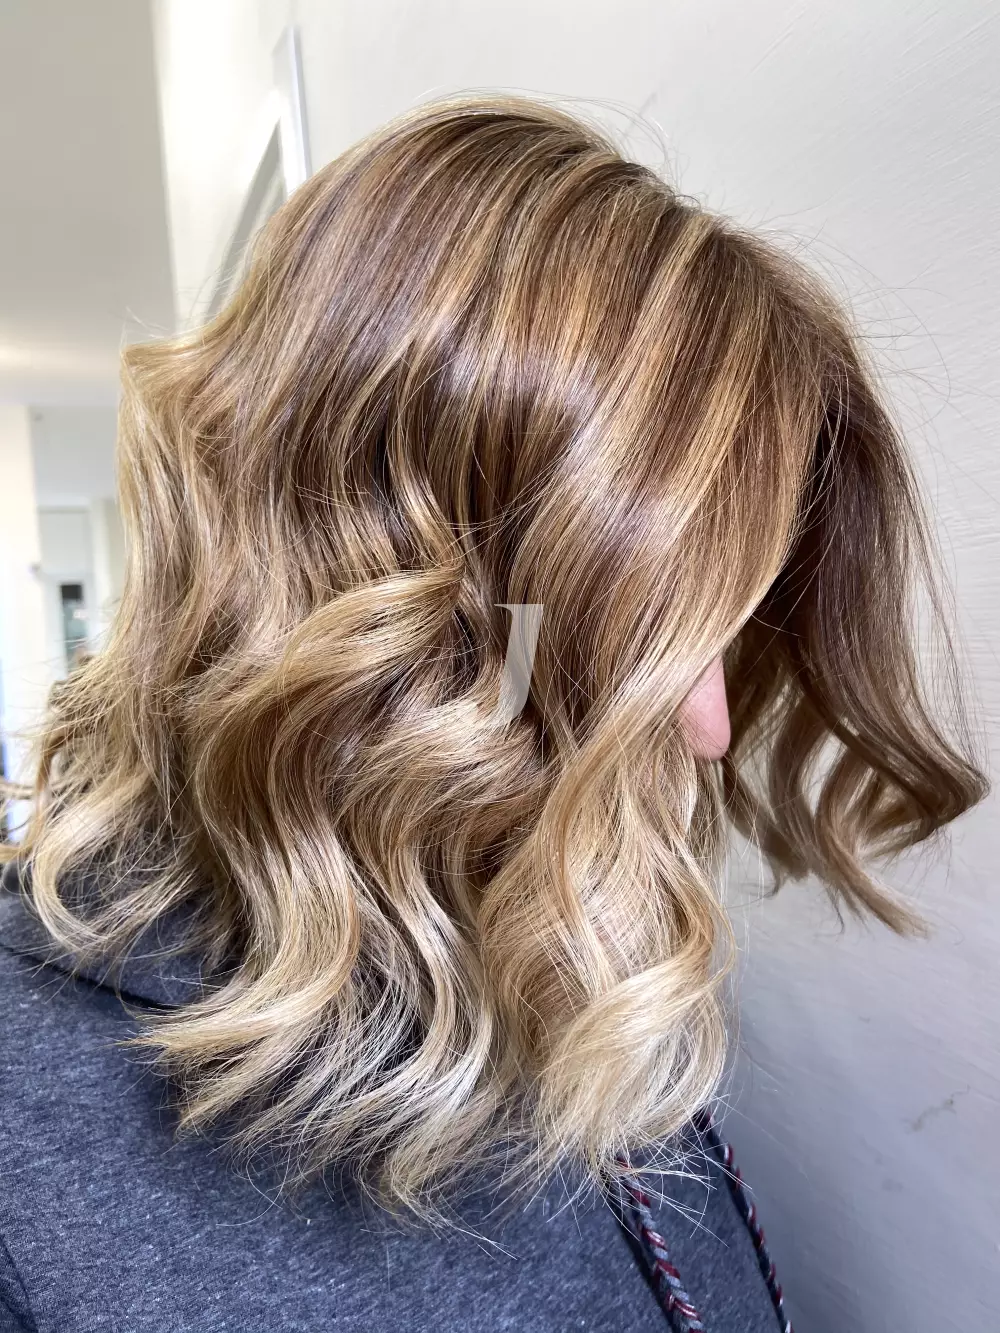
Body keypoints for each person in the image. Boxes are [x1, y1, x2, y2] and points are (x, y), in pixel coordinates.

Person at [0, 95, 986, 1333]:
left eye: (719, 635)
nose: (712, 730)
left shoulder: (565, 944)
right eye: (635, 637)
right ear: (375, 613)